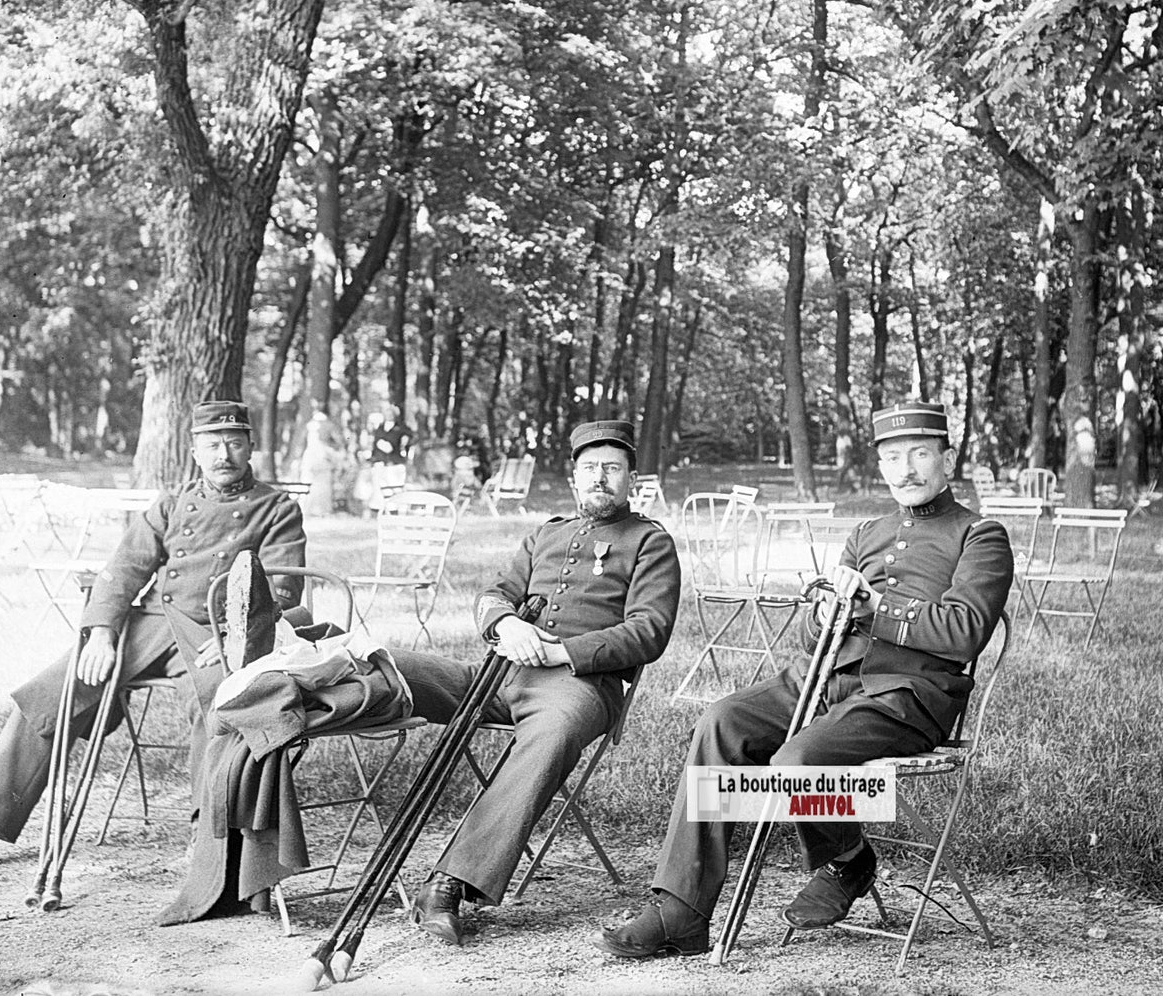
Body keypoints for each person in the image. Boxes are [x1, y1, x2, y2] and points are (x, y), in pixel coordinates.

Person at [600, 402, 1013, 958]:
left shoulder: (980, 535)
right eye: (893, 458)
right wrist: (825, 610)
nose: (906, 469)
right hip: (823, 679)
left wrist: (875, 606)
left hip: (906, 695)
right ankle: (682, 911)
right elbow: (818, 633)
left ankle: (848, 860)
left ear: (948, 458)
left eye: (919, 454)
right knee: (721, 722)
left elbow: (964, 633)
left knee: (797, 763)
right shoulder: (867, 533)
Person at [390, 419, 680, 944]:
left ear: (631, 479)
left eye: (612, 468)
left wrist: (560, 651)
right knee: (387, 664)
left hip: (578, 688)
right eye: (590, 468)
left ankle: (450, 883)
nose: (600, 477)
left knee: (550, 734)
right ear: (574, 478)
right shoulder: (546, 533)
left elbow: (649, 631)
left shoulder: (649, 542)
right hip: (499, 675)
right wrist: (506, 624)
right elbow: (495, 593)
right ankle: (273, 699)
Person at [0, 401, 307, 867]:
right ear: (195, 451)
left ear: (251, 446)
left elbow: (282, 586)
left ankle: (210, 839)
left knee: (220, 704)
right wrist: (101, 632)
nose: (224, 455)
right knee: (54, 690)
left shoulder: (277, 508)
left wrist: (240, 633)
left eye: (234, 443)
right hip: (151, 625)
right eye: (212, 444)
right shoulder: (172, 502)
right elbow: (125, 567)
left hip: (215, 636)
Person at [368, 404, 413, 511]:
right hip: (380, 461)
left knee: (394, 486)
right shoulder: (380, 429)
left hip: (394, 462)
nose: (388, 415)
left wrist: (405, 441)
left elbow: (409, 439)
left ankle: (395, 509)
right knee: (380, 486)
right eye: (387, 413)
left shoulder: (401, 428)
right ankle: (379, 508)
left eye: (391, 413)